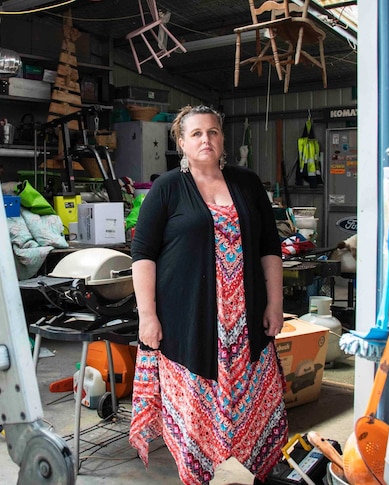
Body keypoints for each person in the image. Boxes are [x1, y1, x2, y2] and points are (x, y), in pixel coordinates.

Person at [129, 105, 288, 485]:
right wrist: (147, 315)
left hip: (246, 324)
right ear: (181, 142)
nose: (206, 140)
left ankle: (245, 476)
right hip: (190, 324)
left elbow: (270, 247)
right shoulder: (167, 188)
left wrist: (275, 304)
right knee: (196, 426)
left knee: (254, 417)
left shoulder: (247, 183)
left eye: (213, 132)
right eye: (196, 133)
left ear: (222, 139)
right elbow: (143, 255)